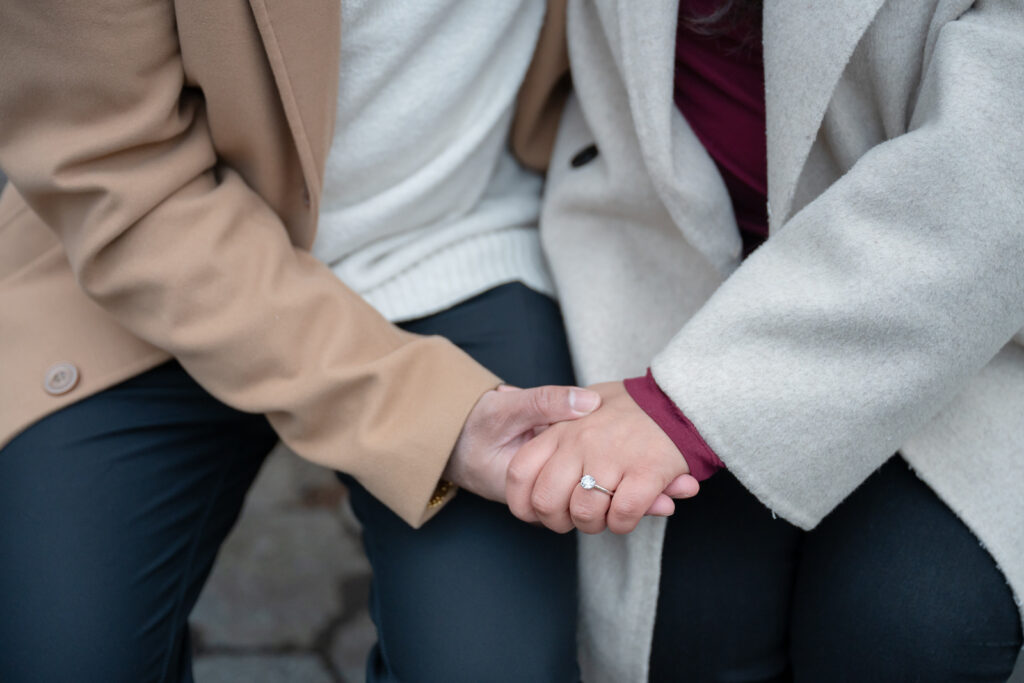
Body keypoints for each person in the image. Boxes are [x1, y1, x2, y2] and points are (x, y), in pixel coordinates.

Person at [0, 2, 697, 681]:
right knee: (59, 658)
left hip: (462, 236)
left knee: (491, 663)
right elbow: (112, 166)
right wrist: (436, 419)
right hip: (160, 261)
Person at [507, 0, 1024, 680]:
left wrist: (687, 408)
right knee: (679, 634)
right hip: (670, 248)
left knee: (902, 633)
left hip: (964, 306)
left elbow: (994, 173)